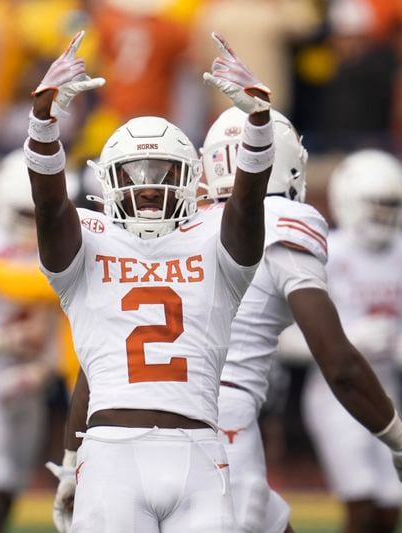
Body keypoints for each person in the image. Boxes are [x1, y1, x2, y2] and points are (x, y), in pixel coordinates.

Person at [32, 30, 274, 532]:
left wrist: (257, 127)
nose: (146, 183)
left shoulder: (214, 232)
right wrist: (44, 126)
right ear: (107, 180)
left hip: (202, 450)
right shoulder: (87, 237)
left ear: (190, 178)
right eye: (133, 171)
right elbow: (49, 204)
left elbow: (249, 203)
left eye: (161, 171)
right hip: (112, 452)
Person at [203, 111, 402, 533]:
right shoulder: (286, 222)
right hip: (225, 416)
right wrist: (400, 439)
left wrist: (76, 458)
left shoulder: (188, 226)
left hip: (165, 413)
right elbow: (340, 364)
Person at [303, 149, 402, 533]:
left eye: (390, 205)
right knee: (360, 502)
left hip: (388, 389)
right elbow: (284, 336)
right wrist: (343, 341)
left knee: (391, 505)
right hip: (336, 393)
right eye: (374, 205)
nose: (382, 215)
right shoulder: (326, 250)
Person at [0, 149, 59, 533]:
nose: (33, 225)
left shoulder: (57, 245)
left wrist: (45, 366)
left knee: (12, 491)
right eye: (25, 214)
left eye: (40, 214)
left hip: (30, 376)